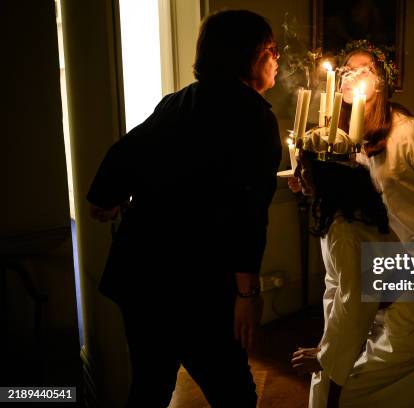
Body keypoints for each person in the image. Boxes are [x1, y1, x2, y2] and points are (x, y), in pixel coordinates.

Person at [87, 10, 281, 407]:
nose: (277, 60)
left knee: (150, 386)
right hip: (196, 286)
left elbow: (121, 157)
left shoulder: (178, 102)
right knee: (235, 393)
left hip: (142, 278)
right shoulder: (254, 117)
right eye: (272, 50)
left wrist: (106, 200)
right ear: (253, 54)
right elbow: (248, 213)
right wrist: (248, 294)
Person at [290, 139, 414, 408]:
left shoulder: (344, 230)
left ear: (325, 176)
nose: (297, 176)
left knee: (343, 391)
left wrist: (325, 357)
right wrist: (327, 347)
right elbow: (344, 291)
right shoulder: (356, 211)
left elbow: (352, 303)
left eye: (303, 168)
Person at [338, 41, 414, 244]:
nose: (351, 77)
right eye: (347, 70)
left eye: (363, 71)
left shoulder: (407, 132)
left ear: (380, 83)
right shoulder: (343, 135)